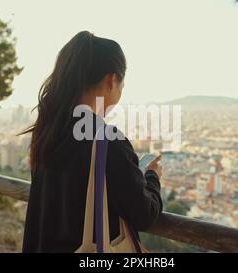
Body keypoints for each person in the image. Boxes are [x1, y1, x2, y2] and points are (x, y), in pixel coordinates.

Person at [18, 31, 163, 253]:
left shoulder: (47, 130)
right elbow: (145, 215)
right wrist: (152, 177)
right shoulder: (106, 140)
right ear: (111, 80)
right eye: (122, 84)